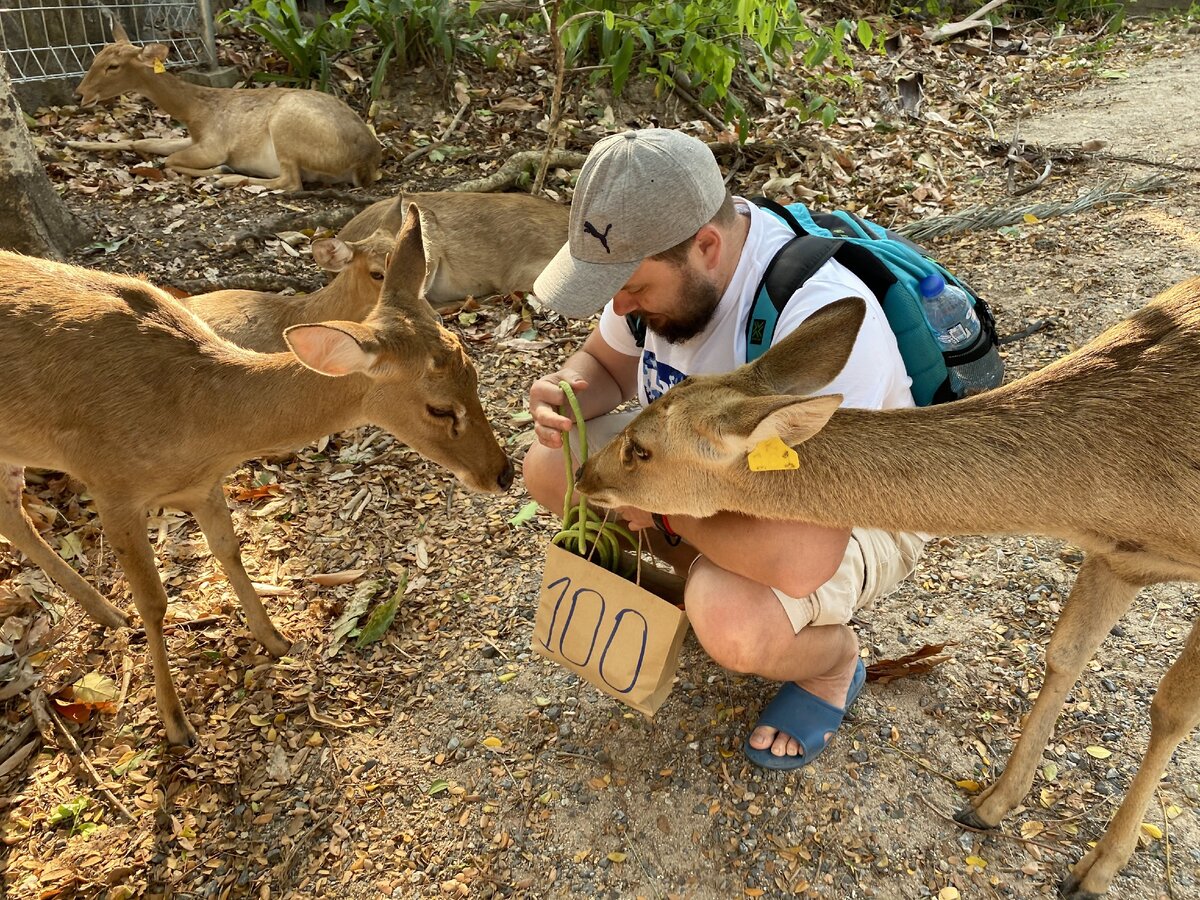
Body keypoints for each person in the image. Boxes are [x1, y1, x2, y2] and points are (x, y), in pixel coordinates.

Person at [524, 128, 926, 770]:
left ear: (706, 247)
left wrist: (658, 514)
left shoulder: (812, 308)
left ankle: (830, 662)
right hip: (715, 483)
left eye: (632, 288)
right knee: (552, 465)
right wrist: (568, 389)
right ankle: (684, 576)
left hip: (844, 514)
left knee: (731, 618)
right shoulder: (655, 283)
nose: (619, 305)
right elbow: (606, 366)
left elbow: (800, 554)